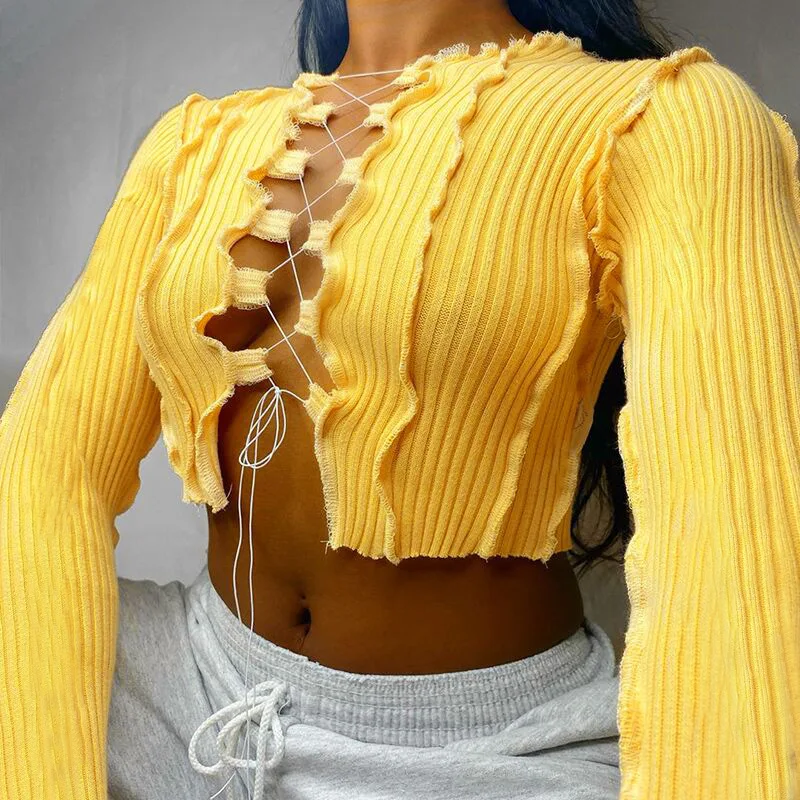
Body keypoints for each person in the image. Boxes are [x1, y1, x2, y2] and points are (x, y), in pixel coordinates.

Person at [1, 0, 798, 798]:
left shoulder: (665, 119)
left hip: (478, 754)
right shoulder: (191, 145)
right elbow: (45, 468)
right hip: (193, 687)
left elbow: (734, 527)